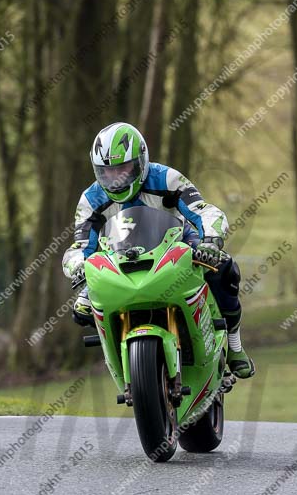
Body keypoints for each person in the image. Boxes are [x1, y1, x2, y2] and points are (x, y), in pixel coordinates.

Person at [62, 122, 255, 379]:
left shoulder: (167, 178)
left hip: (178, 243)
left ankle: (234, 346)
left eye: (123, 169)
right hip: (118, 257)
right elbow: (81, 246)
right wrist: (78, 267)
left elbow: (204, 211)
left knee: (224, 268)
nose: (116, 179)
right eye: (106, 172)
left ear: (142, 160)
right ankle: (125, 362)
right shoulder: (90, 199)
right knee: (82, 308)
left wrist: (210, 240)